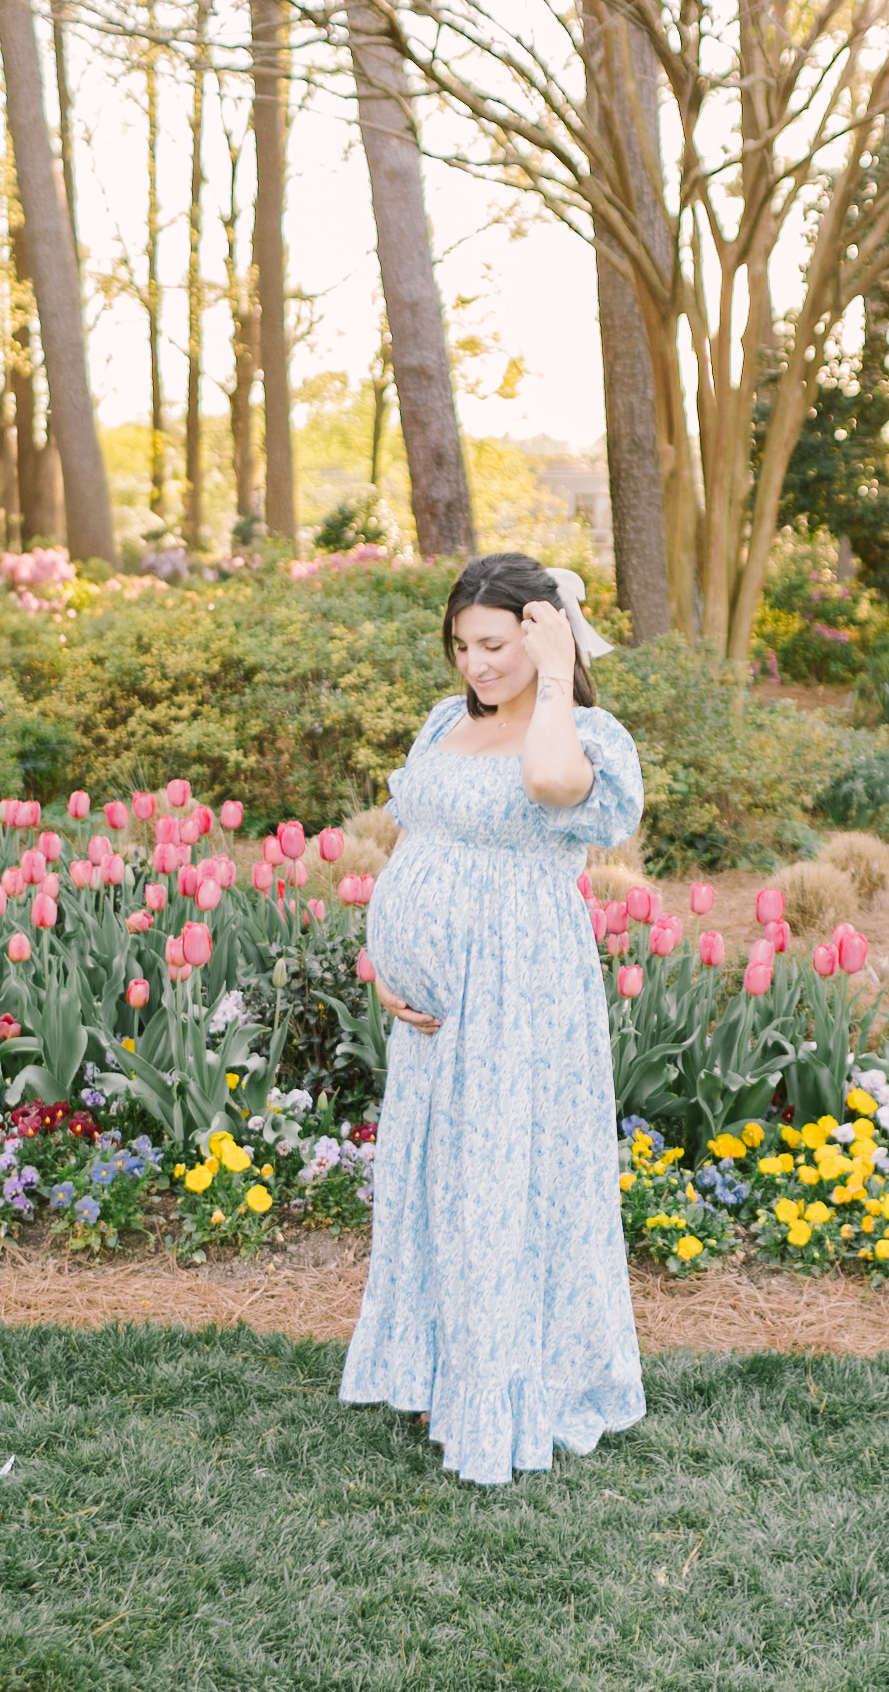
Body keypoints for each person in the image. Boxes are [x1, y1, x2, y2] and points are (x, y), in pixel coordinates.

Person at [339, 552, 646, 1485]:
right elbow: (415, 838)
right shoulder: (445, 723)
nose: (477, 665)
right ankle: (448, 1366)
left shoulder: (586, 735)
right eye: (463, 645)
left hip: (518, 992)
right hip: (430, 1009)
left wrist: (554, 680)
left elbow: (554, 789)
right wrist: (386, 956)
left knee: (505, 1178)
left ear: (543, 635)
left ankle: (515, 1384)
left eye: (497, 644)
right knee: (441, 1181)